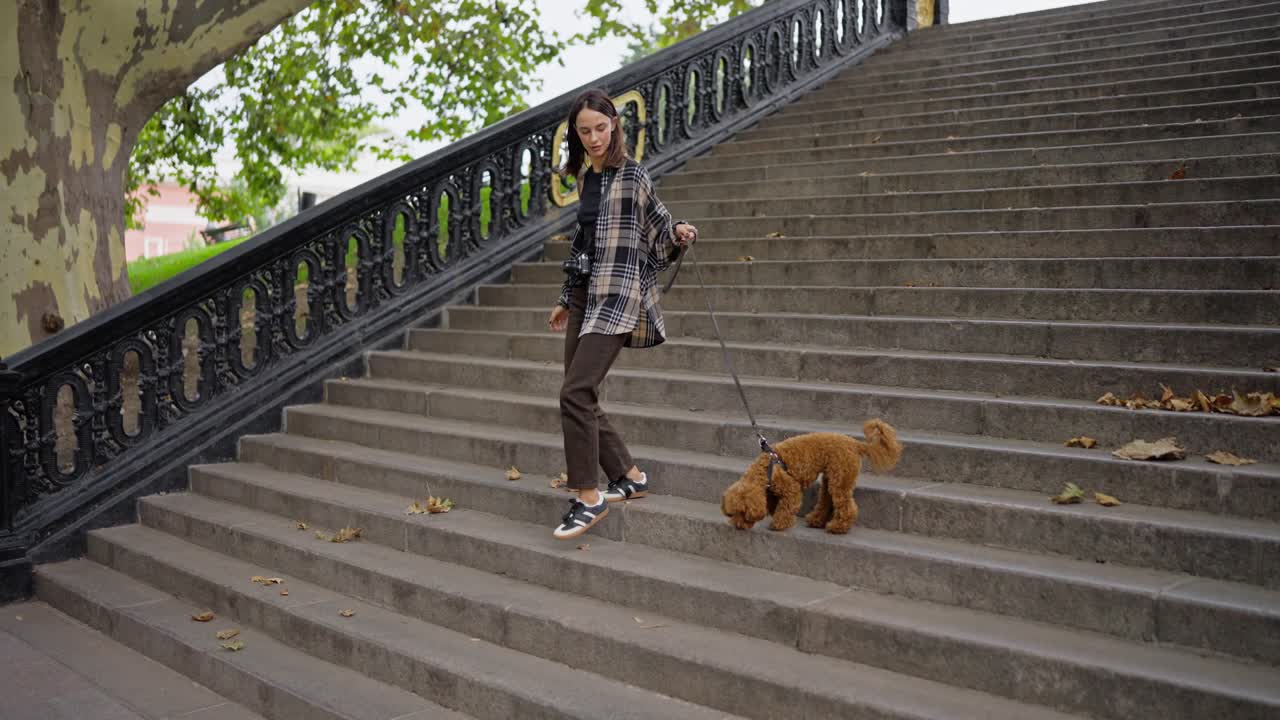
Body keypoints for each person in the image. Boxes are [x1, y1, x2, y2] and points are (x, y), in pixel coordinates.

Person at [548, 88, 698, 540]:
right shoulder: (584, 179)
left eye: (600, 127)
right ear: (575, 135)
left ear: (614, 124)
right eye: (584, 130)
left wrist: (678, 232)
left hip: (619, 295)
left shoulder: (634, 175)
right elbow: (583, 243)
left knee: (574, 392)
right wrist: (564, 296)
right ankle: (630, 476)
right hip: (584, 296)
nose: (593, 137)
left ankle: (587, 498)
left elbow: (658, 227)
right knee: (581, 392)